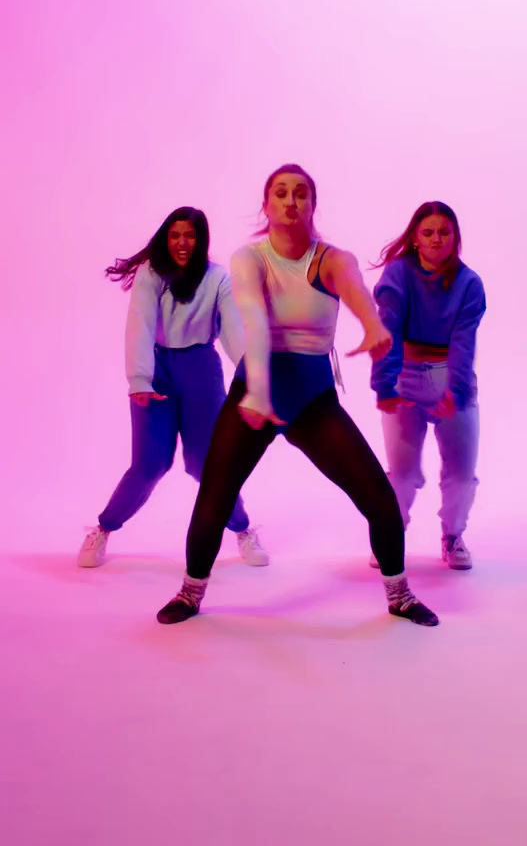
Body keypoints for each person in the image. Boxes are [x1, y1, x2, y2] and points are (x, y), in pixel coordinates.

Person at [156, 167, 439, 627]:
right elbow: (254, 321)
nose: (291, 201)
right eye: (281, 193)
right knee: (215, 494)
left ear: (312, 205)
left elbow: (355, 291)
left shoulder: (332, 258)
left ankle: (400, 595)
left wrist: (372, 326)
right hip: (254, 394)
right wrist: (260, 394)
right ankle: (190, 594)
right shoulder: (250, 258)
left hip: (312, 401)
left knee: (378, 497)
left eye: (301, 194)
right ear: (266, 206)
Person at [77, 207, 268, 569]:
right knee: (149, 464)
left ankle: (242, 529)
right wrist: (139, 379)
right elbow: (141, 324)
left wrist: (254, 378)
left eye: (190, 235)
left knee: (207, 464)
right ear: (167, 238)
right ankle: (103, 528)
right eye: (175, 235)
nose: (182, 242)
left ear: (201, 240)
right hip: (158, 370)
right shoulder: (152, 274)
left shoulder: (218, 279)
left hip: (201, 369)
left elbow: (234, 332)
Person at [370, 202, 486, 570]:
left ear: (455, 239)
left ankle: (452, 536)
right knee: (402, 474)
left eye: (445, 232)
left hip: (449, 376)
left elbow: (464, 342)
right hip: (405, 378)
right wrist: (384, 384)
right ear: (416, 239)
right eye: (428, 232)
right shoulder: (398, 274)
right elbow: (389, 329)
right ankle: (391, 534)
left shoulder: (469, 284)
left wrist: (458, 390)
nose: (437, 239)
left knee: (462, 474)